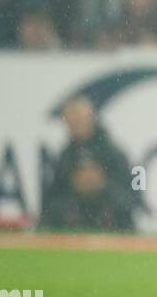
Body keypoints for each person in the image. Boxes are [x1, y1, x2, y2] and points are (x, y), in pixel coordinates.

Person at [39, 97, 139, 231]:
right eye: (72, 121)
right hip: (74, 228)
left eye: (80, 120)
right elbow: (52, 200)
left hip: (113, 226)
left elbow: (133, 198)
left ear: (92, 119)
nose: (77, 124)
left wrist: (103, 185)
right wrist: (75, 185)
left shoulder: (114, 154)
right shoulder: (66, 157)